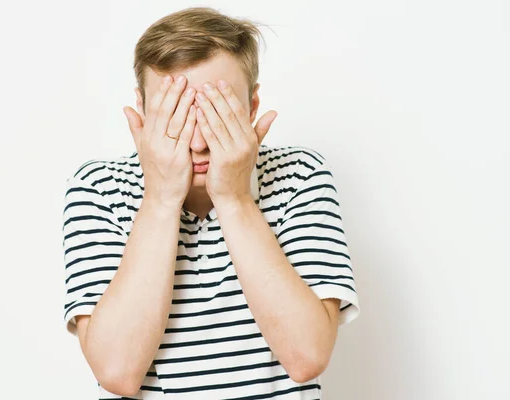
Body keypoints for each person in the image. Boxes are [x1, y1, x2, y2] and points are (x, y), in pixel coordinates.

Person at [62, 6, 360, 399]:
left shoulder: (301, 174)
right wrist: (160, 199)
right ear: (145, 109)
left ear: (252, 107)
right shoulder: (98, 187)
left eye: (217, 114)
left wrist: (235, 199)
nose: (199, 142)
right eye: (177, 115)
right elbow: (117, 371)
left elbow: (307, 356)